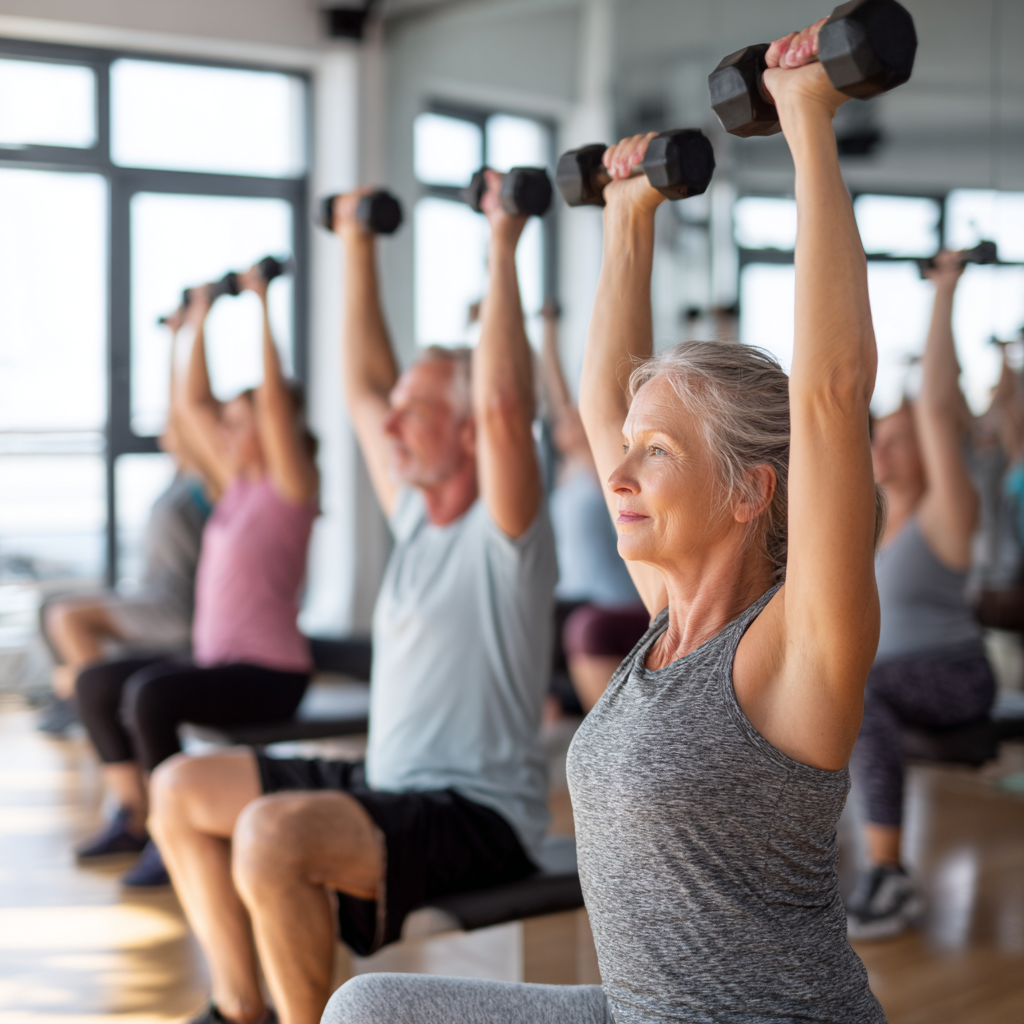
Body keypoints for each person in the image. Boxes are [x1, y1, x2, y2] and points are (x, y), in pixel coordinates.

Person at [325, 18, 888, 1024]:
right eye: (627, 450)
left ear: (750, 490)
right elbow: (597, 415)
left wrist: (808, 121)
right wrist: (626, 221)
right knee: (370, 1007)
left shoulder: (797, 646)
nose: (616, 473)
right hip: (635, 1009)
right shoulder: (669, 621)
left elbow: (831, 397)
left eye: (659, 455)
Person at [146, 171, 556, 1024]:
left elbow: (510, 403)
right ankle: (239, 1008)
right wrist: (356, 246)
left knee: (271, 834)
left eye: (418, 412)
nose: (392, 425)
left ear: (472, 431)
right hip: (388, 783)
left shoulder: (504, 534)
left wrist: (503, 240)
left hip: (474, 816)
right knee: (181, 790)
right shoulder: (414, 517)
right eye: (396, 412)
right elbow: (363, 387)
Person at [73, 261, 319, 886]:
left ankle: (172, 836)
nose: (226, 432)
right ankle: (134, 813)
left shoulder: (289, 489)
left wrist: (262, 304)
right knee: (99, 683)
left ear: (269, 427)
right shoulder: (232, 485)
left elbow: (268, 400)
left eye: (241, 422)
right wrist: (198, 323)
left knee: (151, 696)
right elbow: (189, 406)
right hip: (217, 660)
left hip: (271, 674)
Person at [848, 250, 996, 939]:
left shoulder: (947, 511)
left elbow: (937, 407)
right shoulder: (871, 522)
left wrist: (944, 292)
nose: (887, 448)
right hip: (887, 677)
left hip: (957, 676)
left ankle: (889, 873)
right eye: (882, 437)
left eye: (903, 440)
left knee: (862, 691)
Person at [37, 308, 214, 735]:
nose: (171, 431)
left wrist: (201, 326)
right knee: (54, 609)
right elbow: (178, 413)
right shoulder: (180, 475)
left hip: (178, 609)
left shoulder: (205, 480)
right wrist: (177, 338)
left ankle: (98, 707)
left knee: (68, 618)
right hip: (156, 596)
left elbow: (192, 409)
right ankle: (82, 699)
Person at [540, 300, 648, 714]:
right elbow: (556, 395)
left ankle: (558, 704)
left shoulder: (600, 467)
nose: (561, 424)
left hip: (609, 598)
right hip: (574, 594)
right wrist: (548, 331)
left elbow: (579, 402)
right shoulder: (570, 470)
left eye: (572, 419)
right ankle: (552, 702)